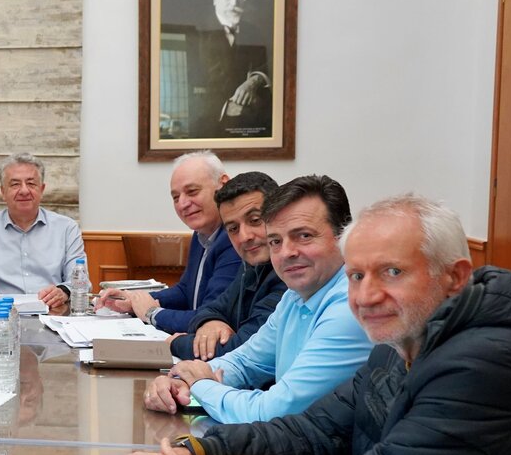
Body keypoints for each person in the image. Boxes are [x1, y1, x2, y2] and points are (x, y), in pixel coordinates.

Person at [96, 194, 511, 455]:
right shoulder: (402, 338)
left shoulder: (485, 363)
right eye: (356, 275)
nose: (366, 296)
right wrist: (199, 451)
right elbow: (314, 430)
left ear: (455, 277)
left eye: (392, 272)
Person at [144, 175, 372, 423]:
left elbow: (274, 411)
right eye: (275, 241)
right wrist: (179, 381)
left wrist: (199, 384)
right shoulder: (295, 296)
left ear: (344, 236)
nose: (286, 253)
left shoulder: (352, 307)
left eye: (304, 236)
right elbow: (245, 362)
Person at [97, 151, 240, 334]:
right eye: (175, 197)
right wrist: (133, 299)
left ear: (223, 184)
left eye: (192, 192)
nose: (182, 204)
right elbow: (185, 290)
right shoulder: (202, 233)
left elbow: (209, 317)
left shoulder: (236, 240)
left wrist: (151, 312)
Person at [170, 171, 286, 360]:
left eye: (255, 220)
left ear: (279, 214)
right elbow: (212, 309)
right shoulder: (252, 266)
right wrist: (210, 322)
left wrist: (176, 343)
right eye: (233, 228)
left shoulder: (290, 275)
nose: (244, 236)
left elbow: (241, 350)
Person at [0, 152, 86, 310]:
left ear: (42, 189)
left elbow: (81, 282)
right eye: (15, 184)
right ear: (3, 192)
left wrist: (64, 291)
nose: (24, 191)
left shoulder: (67, 229)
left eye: (31, 183)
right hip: (2, 315)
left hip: (54, 313)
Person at [188, 0, 272, 138]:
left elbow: (265, 66)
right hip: (210, 125)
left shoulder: (253, 32)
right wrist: (228, 105)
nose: (235, 2)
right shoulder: (196, 33)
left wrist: (255, 80)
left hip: (249, 125)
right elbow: (195, 85)